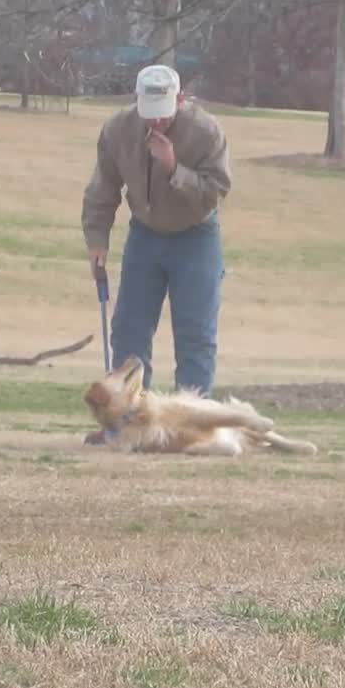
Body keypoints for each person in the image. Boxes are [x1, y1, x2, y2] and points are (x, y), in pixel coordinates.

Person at [80, 64, 232, 444]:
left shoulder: (205, 132)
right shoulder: (118, 131)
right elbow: (103, 188)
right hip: (144, 236)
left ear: (180, 100)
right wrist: (97, 239)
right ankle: (125, 424)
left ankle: (192, 428)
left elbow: (216, 191)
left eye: (165, 112)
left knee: (195, 333)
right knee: (129, 329)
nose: (158, 121)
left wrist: (173, 168)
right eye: (150, 113)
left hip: (196, 236)